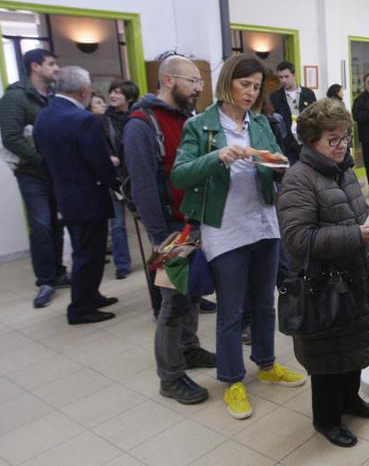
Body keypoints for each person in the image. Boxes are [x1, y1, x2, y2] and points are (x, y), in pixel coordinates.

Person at [171, 53, 306, 420]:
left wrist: (275, 163)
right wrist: (217, 157)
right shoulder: (200, 126)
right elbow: (180, 176)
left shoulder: (260, 122)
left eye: (257, 87)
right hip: (225, 228)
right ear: (227, 82)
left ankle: (265, 362)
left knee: (264, 302)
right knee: (231, 310)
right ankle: (232, 379)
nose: (251, 93)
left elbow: (279, 163)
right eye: (244, 85)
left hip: (263, 223)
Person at [277, 98, 369, 448]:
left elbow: (357, 212)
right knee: (327, 358)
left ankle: (350, 400)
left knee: (353, 346)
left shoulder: (345, 170)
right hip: (322, 287)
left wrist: (366, 227)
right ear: (310, 141)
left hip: (354, 275)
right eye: (332, 140)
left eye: (345, 137)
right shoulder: (299, 179)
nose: (341, 146)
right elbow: (297, 238)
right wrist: (355, 235)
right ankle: (326, 419)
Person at [124, 55, 216, 405]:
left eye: (200, 82)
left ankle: (189, 349)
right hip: (170, 229)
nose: (198, 88)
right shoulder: (141, 124)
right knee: (173, 304)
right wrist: (161, 238)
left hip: (193, 220)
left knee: (191, 294)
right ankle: (170, 377)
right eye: (192, 81)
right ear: (167, 80)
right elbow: (144, 186)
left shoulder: (187, 119)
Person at [32, 67, 118, 324]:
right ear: (83, 91)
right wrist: (117, 184)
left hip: (64, 193)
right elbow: (98, 161)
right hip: (88, 196)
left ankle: (91, 295)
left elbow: (42, 158)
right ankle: (81, 308)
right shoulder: (83, 119)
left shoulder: (44, 117)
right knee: (88, 253)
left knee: (84, 250)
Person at [0, 48, 69, 308]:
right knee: (41, 224)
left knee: (57, 222)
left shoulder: (50, 98)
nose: (56, 69)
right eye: (51, 64)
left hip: (53, 171)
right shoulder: (15, 97)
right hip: (32, 173)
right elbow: (11, 137)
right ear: (35, 67)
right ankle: (45, 280)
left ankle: (58, 271)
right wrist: (42, 159)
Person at [103, 79, 140, 280]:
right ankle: (122, 264)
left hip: (135, 175)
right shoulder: (103, 120)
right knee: (117, 223)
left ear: (130, 97)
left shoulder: (138, 118)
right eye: (112, 91)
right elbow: (102, 144)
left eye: (118, 92)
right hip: (115, 177)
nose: (113, 95)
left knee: (149, 219)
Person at [269, 60, 317, 145]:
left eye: (286, 76)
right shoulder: (275, 97)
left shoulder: (308, 93)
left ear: (294, 75)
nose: (283, 80)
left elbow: (315, 116)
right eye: (280, 77)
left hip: (307, 141)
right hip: (287, 144)